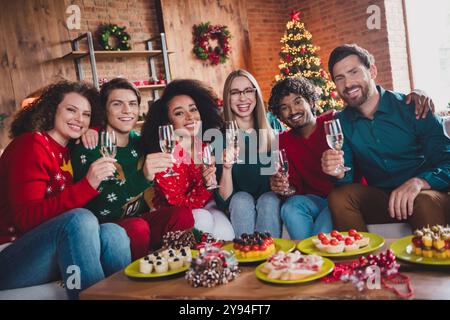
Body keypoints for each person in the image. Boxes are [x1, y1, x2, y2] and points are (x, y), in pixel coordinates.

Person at [0, 81, 131, 299]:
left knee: (114, 234)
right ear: (52, 111)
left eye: (86, 114)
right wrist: (87, 186)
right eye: (71, 110)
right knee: (80, 220)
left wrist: (93, 131)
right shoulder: (30, 145)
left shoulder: (68, 150)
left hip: (45, 247)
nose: (79, 119)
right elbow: (26, 219)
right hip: (11, 255)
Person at [322, 44, 450, 231]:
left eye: (354, 72)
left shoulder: (414, 107)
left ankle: (432, 259)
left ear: (372, 71)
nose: (348, 84)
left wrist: (419, 182)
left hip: (428, 193)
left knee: (424, 201)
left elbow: (448, 161)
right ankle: (362, 260)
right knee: (339, 196)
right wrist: (338, 172)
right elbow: (346, 179)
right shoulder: (341, 122)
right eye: (340, 78)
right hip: (384, 198)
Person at [71, 78, 193, 260]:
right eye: (117, 104)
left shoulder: (140, 141)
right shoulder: (89, 147)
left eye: (132, 104)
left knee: (181, 215)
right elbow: (97, 209)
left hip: (140, 220)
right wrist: (142, 176)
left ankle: (178, 268)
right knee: (137, 227)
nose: (127, 110)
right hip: (107, 228)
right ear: (104, 110)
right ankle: (141, 280)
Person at [140, 79, 235, 240]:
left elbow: (219, 193)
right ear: (168, 122)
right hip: (176, 216)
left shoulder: (206, 146)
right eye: (179, 113)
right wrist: (206, 186)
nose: (190, 117)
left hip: (207, 206)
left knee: (227, 236)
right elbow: (178, 207)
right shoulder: (165, 153)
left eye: (193, 109)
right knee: (203, 220)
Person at [215, 69, 284, 238]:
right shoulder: (220, 136)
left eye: (248, 91)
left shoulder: (273, 124)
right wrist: (226, 167)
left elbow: (286, 168)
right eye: (235, 92)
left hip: (271, 198)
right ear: (228, 98)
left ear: (256, 94)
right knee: (241, 199)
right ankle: (246, 257)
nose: (243, 98)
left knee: (269, 199)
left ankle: (270, 258)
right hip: (238, 203)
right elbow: (224, 199)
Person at [267, 77, 334, 240]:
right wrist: (283, 187)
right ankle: (311, 259)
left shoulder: (332, 122)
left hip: (342, 198)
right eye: (285, 107)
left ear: (311, 102)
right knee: (290, 207)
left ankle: (311, 259)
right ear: (280, 116)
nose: (293, 111)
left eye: (298, 102)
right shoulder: (282, 141)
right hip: (313, 201)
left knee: (323, 230)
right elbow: (294, 190)